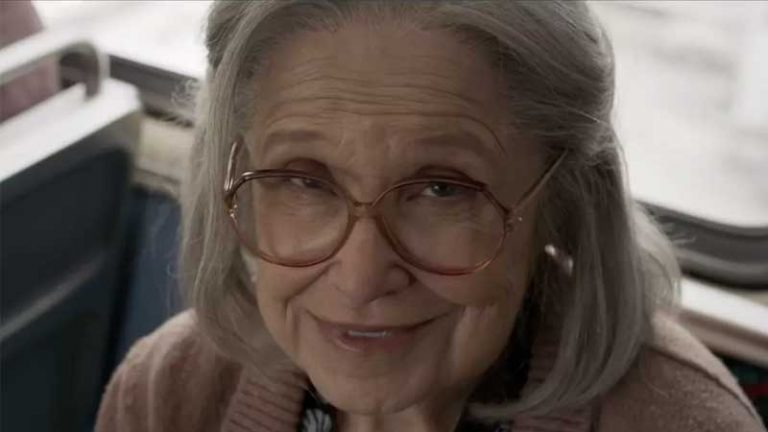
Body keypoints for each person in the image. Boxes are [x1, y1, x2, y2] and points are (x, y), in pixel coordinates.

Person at [96, 1, 764, 431]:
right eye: (304, 181)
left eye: (442, 190)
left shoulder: (686, 421)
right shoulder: (167, 395)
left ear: (562, 202)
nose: (360, 277)